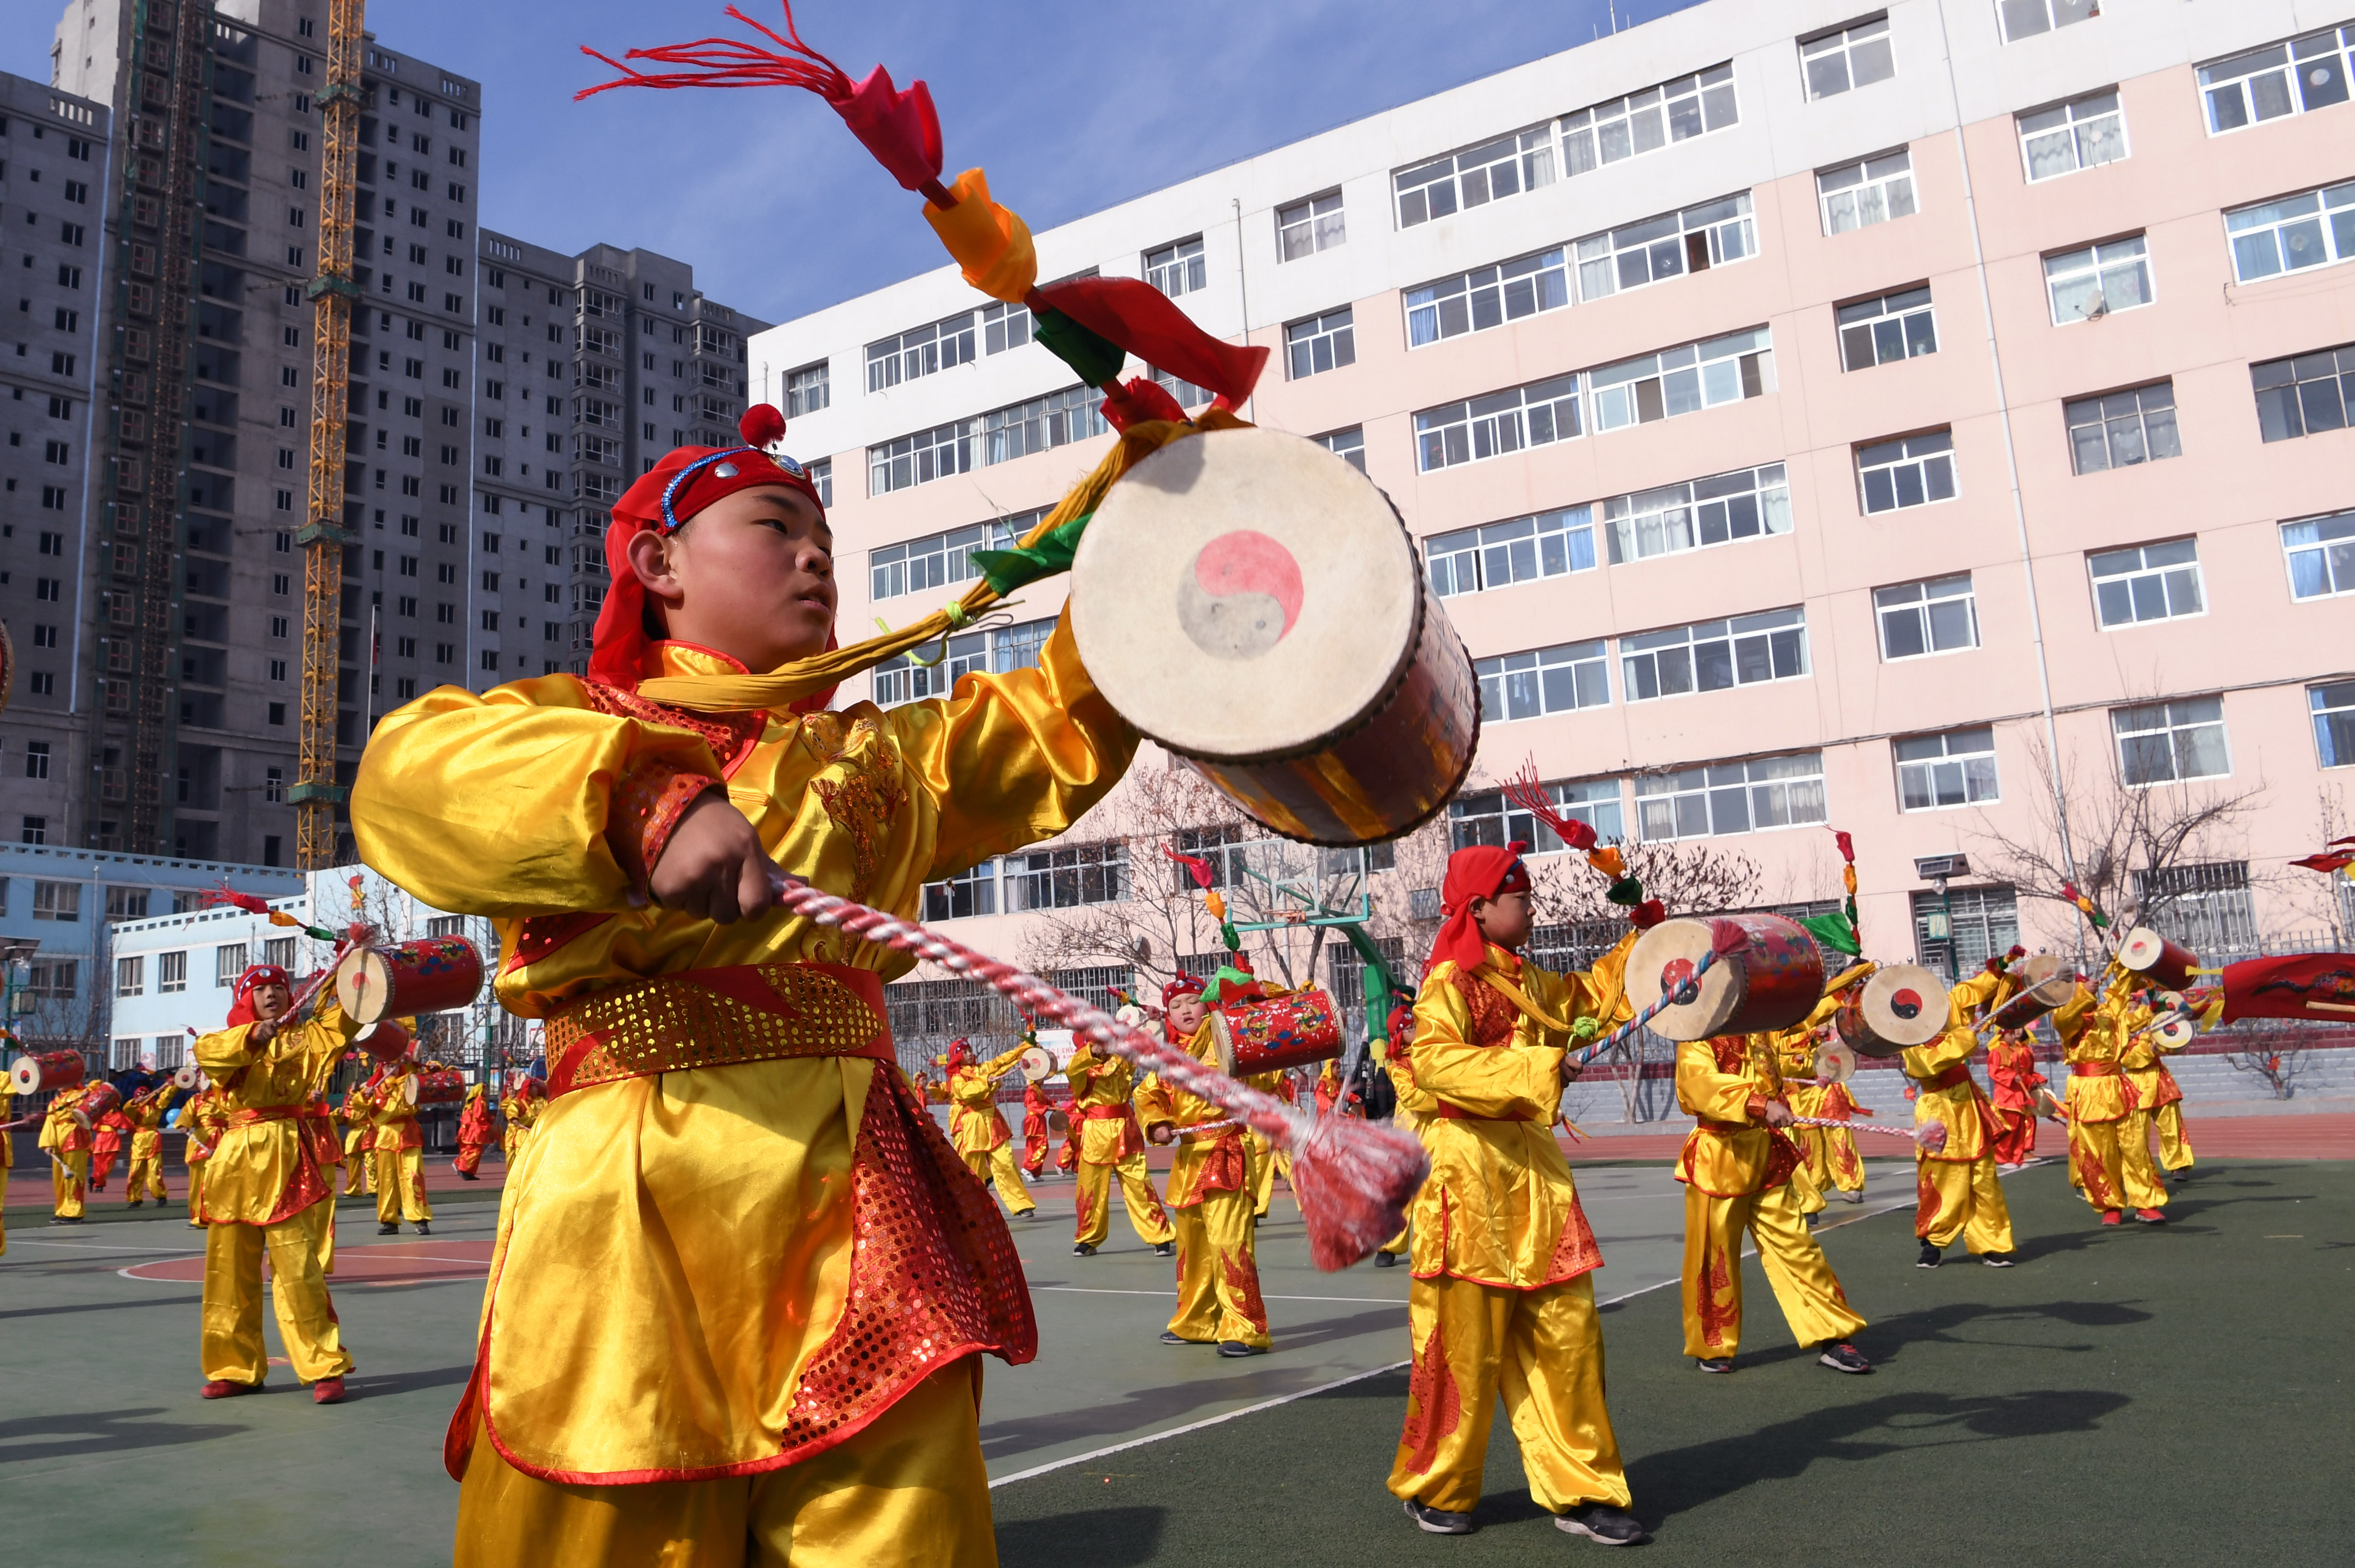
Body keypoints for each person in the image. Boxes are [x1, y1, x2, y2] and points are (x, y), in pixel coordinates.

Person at [348, 406, 1133, 1564]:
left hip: (858, 1195)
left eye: (823, 537)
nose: (815, 555)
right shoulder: (570, 722)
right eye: (776, 527)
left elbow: (1060, 717)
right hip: (629, 1198)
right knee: (609, 1518)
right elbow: (406, 772)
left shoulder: (876, 756)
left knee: (904, 1533)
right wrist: (638, 799)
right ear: (658, 565)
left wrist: (1158, 538)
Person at [1385, 845, 1648, 1546]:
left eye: (1529, 897)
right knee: (1461, 1348)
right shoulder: (1449, 982)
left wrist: (1644, 944)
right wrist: (1539, 1065)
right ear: (1479, 908)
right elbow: (1435, 1063)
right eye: (1520, 898)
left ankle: (1585, 1489)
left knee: (1568, 1340)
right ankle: (1438, 1485)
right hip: (1467, 1178)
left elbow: (1591, 999)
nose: (1532, 909)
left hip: (1536, 1179)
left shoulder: (1529, 978)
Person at [193, 964, 361, 1404]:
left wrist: (354, 969)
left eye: (279, 988)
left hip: (285, 1156)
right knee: (227, 1272)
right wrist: (253, 1037)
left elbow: (343, 1020)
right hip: (233, 1162)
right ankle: (235, 1367)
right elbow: (209, 1053)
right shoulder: (225, 1042)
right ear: (246, 999)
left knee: (297, 1268)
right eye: (260, 989)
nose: (271, 995)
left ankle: (324, 1365)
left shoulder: (304, 1041)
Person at [1675, 1023, 1875, 1369]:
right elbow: (1698, 1087)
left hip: (1765, 1154)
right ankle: (1713, 1346)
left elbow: (1785, 1054)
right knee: (1715, 1257)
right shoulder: (1698, 1037)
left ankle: (1834, 1335)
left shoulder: (1760, 1028)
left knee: (1799, 1247)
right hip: (1719, 1159)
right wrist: (1757, 1103)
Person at [1136, 974, 1270, 1358]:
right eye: (1176, 1007)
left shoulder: (1225, 1032)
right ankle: (1197, 1322)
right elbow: (1148, 1095)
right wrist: (1158, 1122)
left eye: (1192, 1002)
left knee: (1230, 1243)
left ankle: (1244, 1328)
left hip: (1226, 1148)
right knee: (1192, 1247)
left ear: (1206, 1003)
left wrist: (1240, 994)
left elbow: (1258, 1048)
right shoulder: (1168, 1057)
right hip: (1190, 1156)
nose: (1184, 1011)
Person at [1902, 962, 2021, 1267]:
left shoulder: (1949, 1006)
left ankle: (1991, 1243)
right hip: (1938, 1109)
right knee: (1942, 1177)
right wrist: (1966, 1036)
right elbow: (1928, 1065)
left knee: (1983, 1177)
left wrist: (1999, 970)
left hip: (1967, 1105)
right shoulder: (1907, 1034)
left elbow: (1974, 990)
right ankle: (1932, 1242)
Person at [2053, 973, 2167, 1224]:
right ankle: (2110, 1206)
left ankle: (2146, 1203)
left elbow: (2125, 1007)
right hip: (2090, 1091)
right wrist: (2084, 994)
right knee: (2100, 1151)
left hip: (2118, 1086)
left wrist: (2151, 1010)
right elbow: (2062, 1019)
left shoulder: (2108, 1012)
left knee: (2135, 1146)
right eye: (2081, 989)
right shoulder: (2068, 1018)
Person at [1063, 1035, 1173, 1257]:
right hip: (1096, 1133)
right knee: (1090, 1188)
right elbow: (1072, 1068)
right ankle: (1088, 1237)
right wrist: (1091, 1053)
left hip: (1126, 1129)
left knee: (1140, 1185)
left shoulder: (1122, 1061)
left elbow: (1140, 1048)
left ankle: (1160, 1235)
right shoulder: (1081, 1070)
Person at [942, 1037, 1039, 1219]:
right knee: (970, 1169)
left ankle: (1021, 1205)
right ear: (957, 1057)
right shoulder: (957, 1078)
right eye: (965, 1052)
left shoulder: (984, 1069)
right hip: (972, 1125)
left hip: (993, 1123)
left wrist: (1026, 1047)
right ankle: (967, 1207)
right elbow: (966, 1093)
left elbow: (1002, 1062)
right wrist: (986, 1081)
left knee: (1006, 1163)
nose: (970, 1054)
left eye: (970, 1050)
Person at [1374, 1004, 1431, 1269]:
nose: (1416, 1031)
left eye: (1416, 1026)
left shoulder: (1430, 1052)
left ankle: (1432, 1247)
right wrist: (1443, 1101)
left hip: (1433, 1129)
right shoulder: (1399, 1065)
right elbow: (1411, 1097)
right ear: (1399, 1035)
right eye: (1410, 1028)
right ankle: (1388, 1246)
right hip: (1411, 1131)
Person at [2120, 1018, 2194, 1184]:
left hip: (2161, 1081)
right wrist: (2151, 1050)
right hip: (2136, 1083)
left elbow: (2173, 1043)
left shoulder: (2153, 1028)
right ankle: (2139, 1168)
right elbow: (2127, 1060)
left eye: (2136, 1007)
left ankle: (2178, 1165)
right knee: (2137, 1131)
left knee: (2171, 1127)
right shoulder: (2120, 1034)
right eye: (2130, 1009)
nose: (2134, 1012)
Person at [370, 1052, 434, 1237]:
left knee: (414, 1176)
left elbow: (410, 1105)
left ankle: (420, 1219)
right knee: (387, 1180)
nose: (390, 1070)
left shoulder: (410, 1081)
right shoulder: (377, 1088)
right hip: (387, 1136)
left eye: (394, 1066)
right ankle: (389, 1220)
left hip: (409, 1134)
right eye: (387, 1066)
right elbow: (382, 1113)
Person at [1986, 1029, 2047, 1170]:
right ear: (2003, 1035)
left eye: (2014, 1034)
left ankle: (2017, 1157)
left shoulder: (2014, 1052)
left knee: (2019, 1129)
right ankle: (2003, 1157)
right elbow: (1994, 1071)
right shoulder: (1997, 1052)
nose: (2014, 1037)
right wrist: (2011, 1076)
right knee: (2009, 1129)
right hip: (2006, 1096)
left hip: (2017, 1096)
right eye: (2011, 1034)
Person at [39, 1082, 94, 1224]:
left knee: (74, 1176)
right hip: (58, 1141)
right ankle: (62, 1210)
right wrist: (48, 1144)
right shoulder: (54, 1103)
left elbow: (97, 1089)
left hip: (75, 1136)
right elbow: (50, 1122)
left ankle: (74, 1211)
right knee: (59, 1179)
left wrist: (85, 1094)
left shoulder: (81, 1095)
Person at [121, 1083, 179, 1207]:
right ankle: (135, 1199)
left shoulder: (156, 1107)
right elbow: (127, 1109)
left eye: (144, 1094)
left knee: (154, 1171)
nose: (142, 1097)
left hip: (153, 1140)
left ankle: (161, 1196)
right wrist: (135, 1102)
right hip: (139, 1142)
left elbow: (166, 1097)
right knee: (135, 1171)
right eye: (139, 1095)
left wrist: (173, 1086)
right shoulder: (134, 1110)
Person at [182, 1082, 227, 1228]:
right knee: (198, 1181)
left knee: (221, 1179)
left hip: (224, 1139)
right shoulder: (195, 1100)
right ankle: (198, 1217)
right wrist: (183, 1125)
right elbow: (185, 1119)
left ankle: (221, 1215)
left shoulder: (226, 1098)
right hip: (200, 1141)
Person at [454, 1080, 497, 1180]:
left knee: (475, 1151)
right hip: (475, 1131)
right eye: (486, 1089)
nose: (487, 1091)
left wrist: (489, 1119)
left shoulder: (481, 1101)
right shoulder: (480, 1101)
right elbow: (479, 1117)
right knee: (474, 1151)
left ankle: (469, 1172)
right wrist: (488, 1124)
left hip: (475, 1130)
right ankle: (463, 1169)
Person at [1019, 1077, 1054, 1180]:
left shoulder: (1037, 1089)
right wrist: (1046, 1108)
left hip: (1039, 1120)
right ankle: (1028, 1168)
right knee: (1042, 1146)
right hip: (1034, 1121)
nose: (1043, 1079)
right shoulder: (1031, 1090)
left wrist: (1051, 1104)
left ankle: (1034, 1172)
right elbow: (1031, 1105)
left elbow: (1044, 1101)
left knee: (1033, 1147)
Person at [89, 1100, 128, 1192]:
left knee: (99, 1165)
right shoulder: (119, 1115)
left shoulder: (100, 1115)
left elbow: (94, 1127)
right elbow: (129, 1126)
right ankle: (95, 1180)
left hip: (100, 1139)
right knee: (108, 1164)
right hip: (111, 1140)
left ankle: (99, 1185)